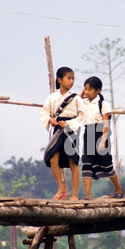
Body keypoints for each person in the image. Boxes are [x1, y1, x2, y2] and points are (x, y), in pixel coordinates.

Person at [40, 67, 86, 200]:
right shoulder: (52, 97)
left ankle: (75, 195)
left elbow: (83, 115)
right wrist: (51, 120)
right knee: (53, 158)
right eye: (69, 78)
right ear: (59, 80)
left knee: (73, 161)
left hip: (71, 130)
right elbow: (44, 112)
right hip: (57, 130)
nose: (71, 81)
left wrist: (69, 124)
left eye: (73, 79)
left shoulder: (76, 98)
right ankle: (61, 188)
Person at [80, 76, 124, 200]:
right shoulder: (84, 104)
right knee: (86, 163)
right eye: (85, 89)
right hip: (88, 134)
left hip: (101, 135)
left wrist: (103, 141)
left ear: (98, 90)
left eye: (90, 90)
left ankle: (118, 188)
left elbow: (106, 124)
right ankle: (88, 196)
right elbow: (74, 103)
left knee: (107, 165)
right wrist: (81, 94)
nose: (87, 92)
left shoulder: (102, 104)